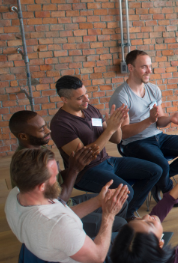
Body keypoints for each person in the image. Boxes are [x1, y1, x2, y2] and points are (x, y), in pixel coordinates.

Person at [5, 147, 129, 263]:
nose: (59, 180)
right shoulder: (56, 224)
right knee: (137, 243)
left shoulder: (16, 195)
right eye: (55, 177)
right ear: (40, 186)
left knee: (124, 227)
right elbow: (98, 257)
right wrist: (108, 215)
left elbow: (63, 212)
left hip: (61, 253)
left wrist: (98, 202)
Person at [50, 75, 162, 217]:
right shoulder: (60, 124)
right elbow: (85, 157)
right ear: (64, 99)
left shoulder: (90, 109)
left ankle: (128, 213)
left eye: (86, 94)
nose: (87, 99)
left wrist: (117, 125)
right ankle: (124, 217)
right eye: (80, 98)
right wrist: (109, 129)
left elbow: (116, 139)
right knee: (127, 191)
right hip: (86, 171)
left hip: (107, 161)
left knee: (155, 170)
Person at [110, 50, 178, 205]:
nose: (149, 71)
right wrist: (149, 120)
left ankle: (160, 179)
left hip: (158, 137)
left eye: (150, 66)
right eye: (144, 67)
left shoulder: (153, 89)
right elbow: (124, 134)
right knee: (161, 165)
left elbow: (159, 121)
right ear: (131, 67)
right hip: (136, 143)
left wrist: (170, 118)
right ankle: (168, 190)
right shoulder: (122, 96)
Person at [9, 110, 127, 236]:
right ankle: (94, 243)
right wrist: (74, 169)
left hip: (65, 203)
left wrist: (77, 165)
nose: (49, 131)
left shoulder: (39, 149)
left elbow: (58, 179)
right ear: (23, 136)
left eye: (46, 126)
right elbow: (59, 199)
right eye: (41, 129)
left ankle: (112, 233)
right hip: (57, 215)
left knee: (121, 202)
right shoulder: (30, 163)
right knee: (121, 225)